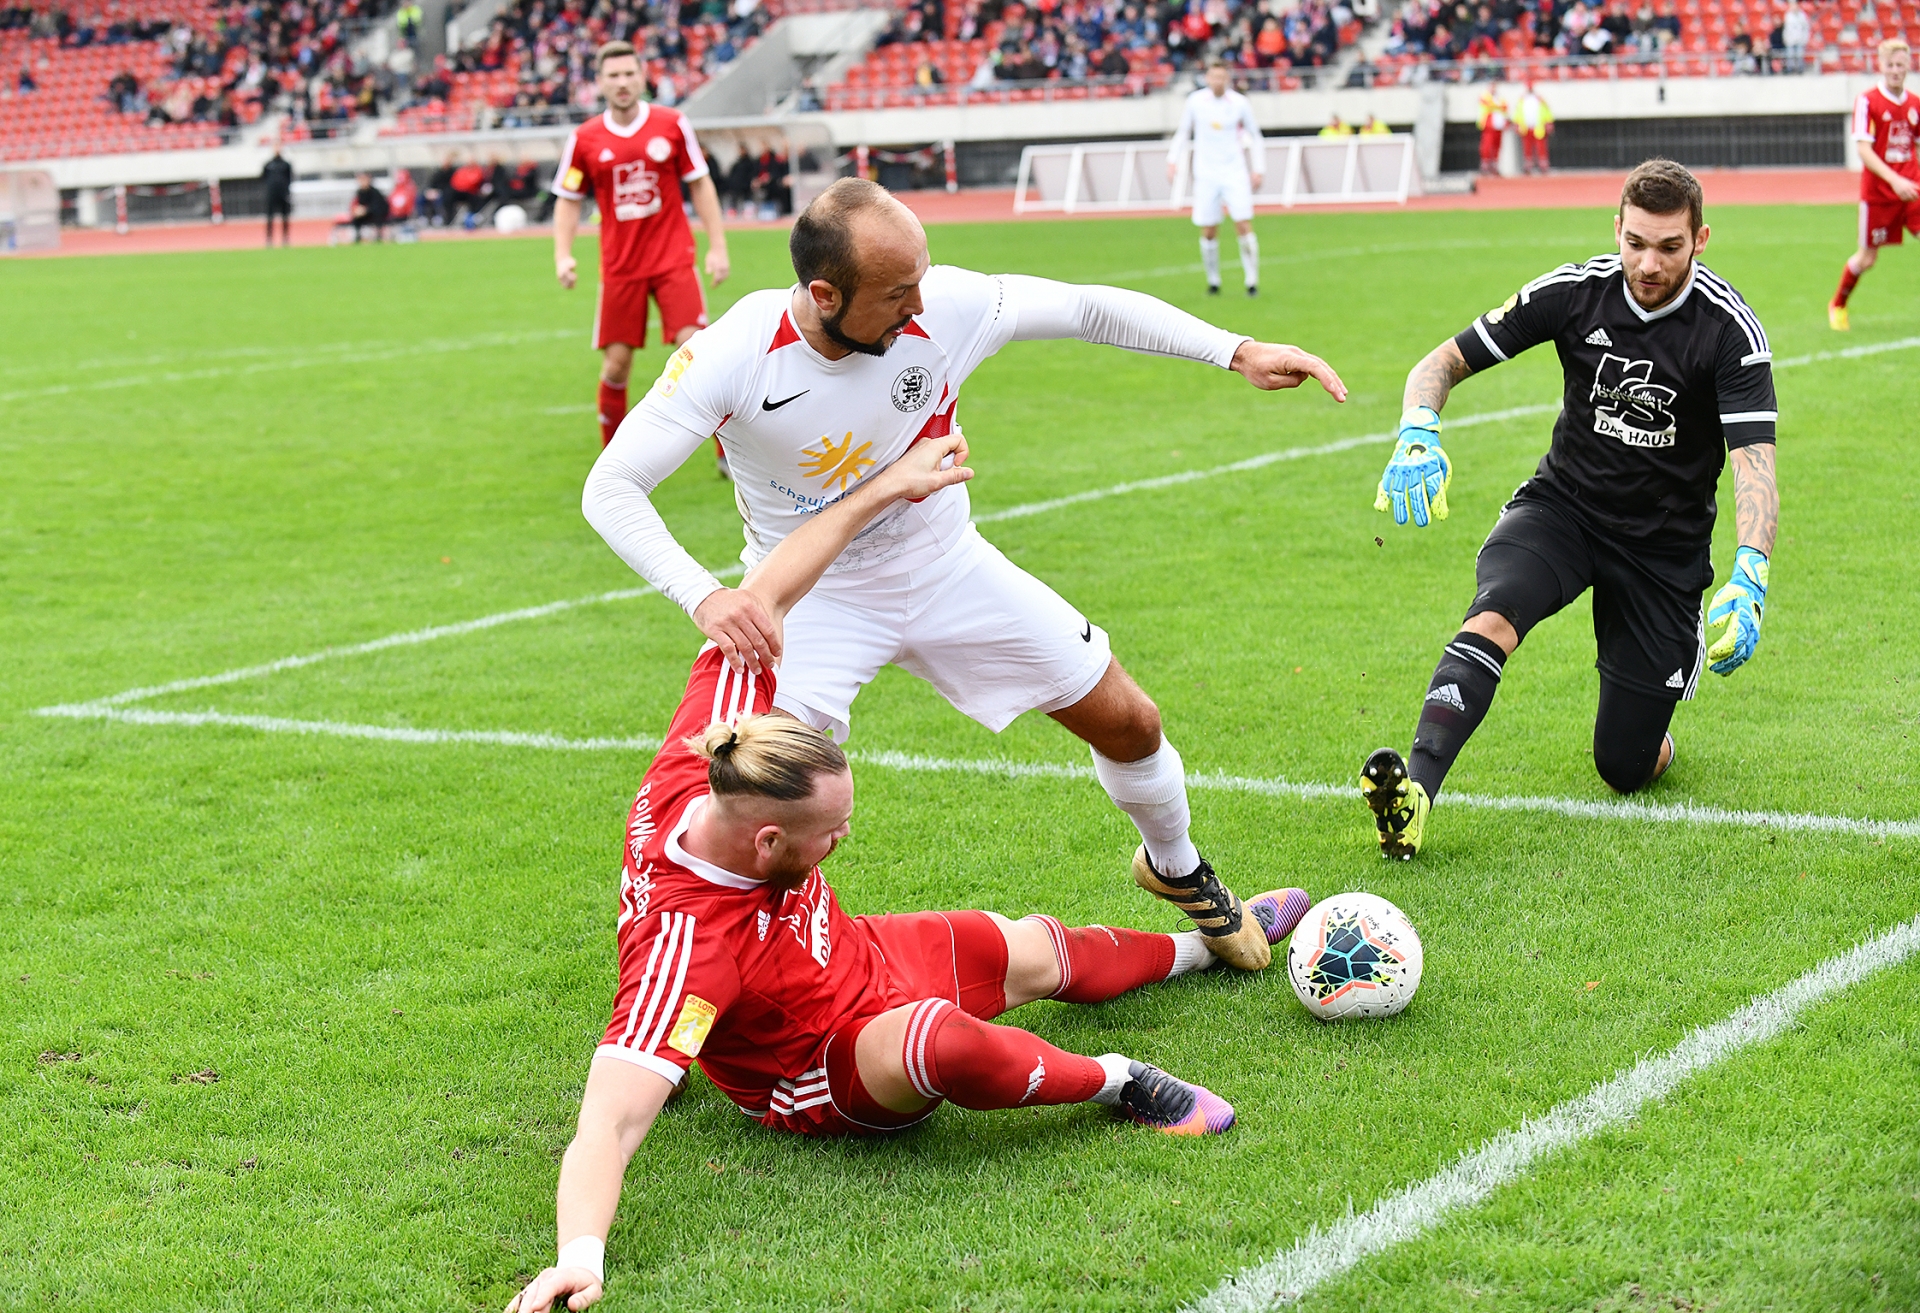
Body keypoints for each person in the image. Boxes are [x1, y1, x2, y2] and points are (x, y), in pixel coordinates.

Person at [505, 431, 1310, 1313]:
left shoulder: (726, 737)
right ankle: (1122, 1079)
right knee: (941, 1039)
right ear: (766, 844)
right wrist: (579, 1255)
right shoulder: (687, 947)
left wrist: (886, 488)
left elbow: (770, 584)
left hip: (855, 955)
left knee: (1028, 946)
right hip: (816, 1061)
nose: (845, 837)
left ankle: (1202, 948)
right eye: (830, 833)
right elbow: (608, 1123)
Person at [584, 178, 1346, 972]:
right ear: (825, 294)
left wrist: (1237, 350)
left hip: (948, 565)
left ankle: (1177, 867)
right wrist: (704, 595)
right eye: (897, 293)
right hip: (813, 600)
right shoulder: (735, 352)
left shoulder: (942, 305)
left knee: (1131, 721)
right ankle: (723, 981)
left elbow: (1086, 309)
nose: (920, 305)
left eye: (921, 279)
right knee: (750, 802)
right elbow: (611, 486)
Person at [1361, 160, 1777, 857]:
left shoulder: (1728, 331)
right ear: (1617, 229)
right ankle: (1416, 793)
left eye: (1669, 246)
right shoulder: (1575, 292)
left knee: (1624, 767)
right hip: (1565, 511)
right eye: (1635, 242)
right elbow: (1439, 363)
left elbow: (1755, 464)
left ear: (1700, 240)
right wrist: (1418, 429)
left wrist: (1751, 570)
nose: (1648, 263)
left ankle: (1652, 731)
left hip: (1662, 549)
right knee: (1494, 612)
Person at [554, 39, 731, 452]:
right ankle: (613, 463)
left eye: (629, 74)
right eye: (613, 75)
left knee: (696, 352)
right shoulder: (585, 139)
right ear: (599, 82)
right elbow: (568, 199)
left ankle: (728, 454)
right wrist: (563, 255)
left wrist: (717, 246)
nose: (622, 82)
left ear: (642, 77)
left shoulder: (672, 124)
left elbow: (700, 184)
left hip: (673, 258)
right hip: (621, 266)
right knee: (617, 365)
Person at [1829, 38, 1920, 331]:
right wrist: (1895, 180)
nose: (1895, 70)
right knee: (1867, 258)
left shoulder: (1915, 103)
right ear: (1881, 66)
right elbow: (1864, 150)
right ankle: (1838, 304)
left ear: (1908, 66)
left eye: (1900, 65)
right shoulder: (1868, 101)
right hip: (1880, 193)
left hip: (1912, 188)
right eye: (1890, 65)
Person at [1168, 59, 1265, 298]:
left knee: (1242, 223)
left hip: (1234, 171)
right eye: (1213, 77)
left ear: (1227, 79)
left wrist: (1258, 168)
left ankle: (1251, 281)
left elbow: (1255, 135)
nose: (1217, 81)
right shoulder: (1195, 101)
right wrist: (1172, 160)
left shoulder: (1239, 103)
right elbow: (1183, 131)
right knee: (1209, 229)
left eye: (1221, 77)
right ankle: (1213, 281)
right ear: (1207, 78)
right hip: (1206, 173)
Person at [1516, 83, 1553, 173]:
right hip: (1526, 127)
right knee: (1527, 147)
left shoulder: (1539, 99)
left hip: (1538, 127)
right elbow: (1518, 113)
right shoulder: (1522, 100)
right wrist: (1517, 124)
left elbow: (1546, 111)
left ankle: (1543, 165)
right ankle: (1528, 165)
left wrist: (1548, 122)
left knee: (1541, 147)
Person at [261, 145, 293, 246]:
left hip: (283, 194)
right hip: (272, 194)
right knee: (270, 217)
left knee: (285, 216)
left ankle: (285, 238)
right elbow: (263, 178)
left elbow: (289, 178)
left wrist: (286, 190)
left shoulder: (286, 165)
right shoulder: (268, 165)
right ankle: (269, 238)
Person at [1476, 87, 1510, 174]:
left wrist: (1506, 122)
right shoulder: (1486, 97)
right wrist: (1498, 106)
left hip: (1498, 126)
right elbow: (1486, 103)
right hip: (1489, 125)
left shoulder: (1500, 99)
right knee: (1487, 145)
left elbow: (1505, 108)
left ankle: (1494, 165)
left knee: (1497, 146)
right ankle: (1485, 164)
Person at [349, 171, 390, 242]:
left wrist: (366, 210)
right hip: (366, 214)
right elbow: (356, 204)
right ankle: (358, 236)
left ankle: (379, 236)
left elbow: (378, 206)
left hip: (378, 213)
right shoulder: (360, 192)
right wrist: (358, 210)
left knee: (378, 216)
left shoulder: (375, 192)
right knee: (356, 219)